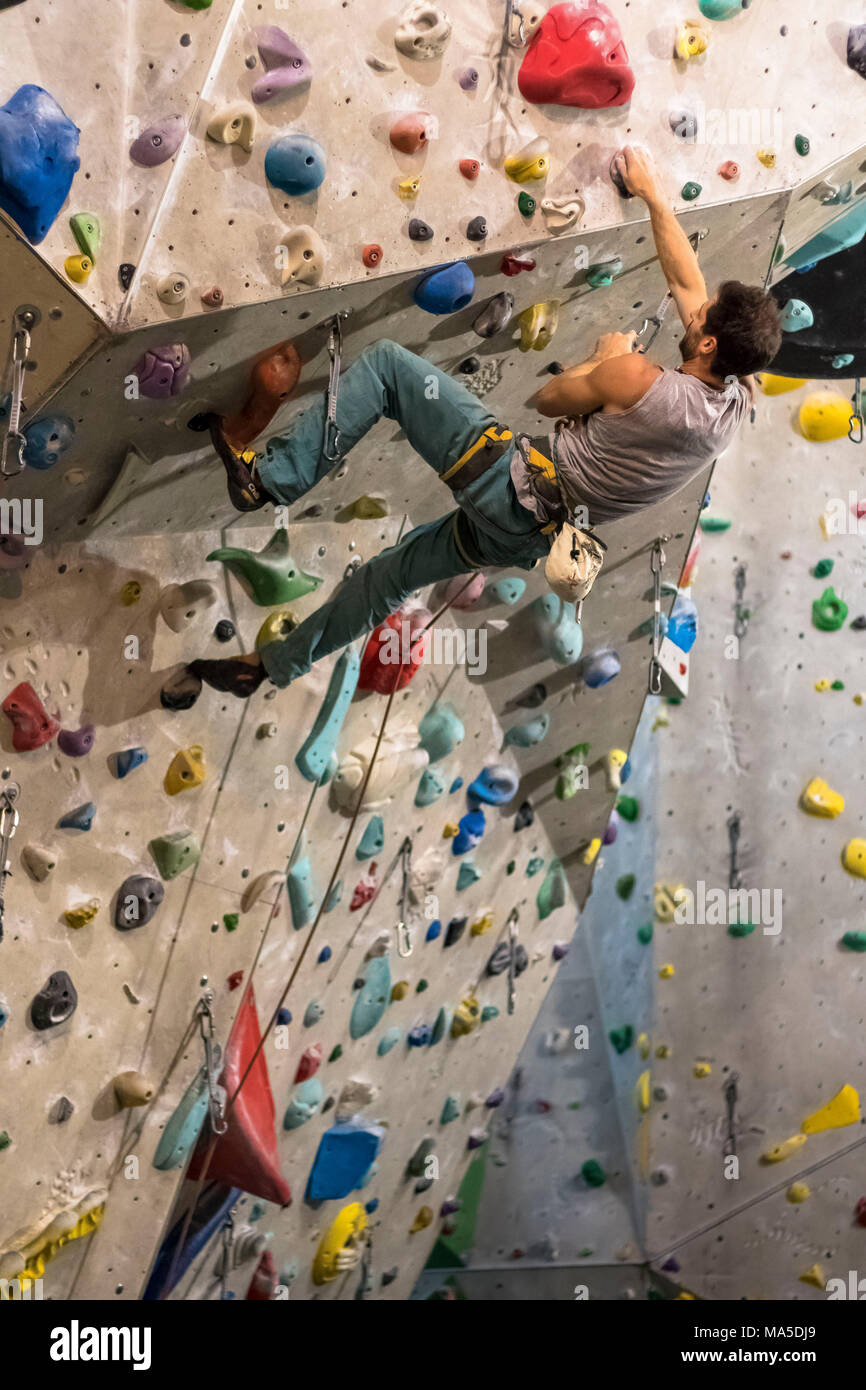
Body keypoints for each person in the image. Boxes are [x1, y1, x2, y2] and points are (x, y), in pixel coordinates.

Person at [185, 145, 782, 699]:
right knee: (385, 580)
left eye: (702, 318)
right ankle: (272, 667)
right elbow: (686, 280)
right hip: (527, 537)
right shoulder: (734, 401)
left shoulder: (640, 379)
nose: (694, 307)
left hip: (509, 485)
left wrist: (605, 359)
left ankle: (270, 479)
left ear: (704, 344)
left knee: (390, 368)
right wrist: (653, 196)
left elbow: (547, 400)